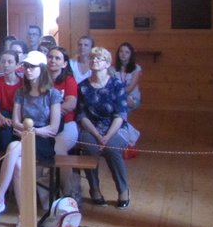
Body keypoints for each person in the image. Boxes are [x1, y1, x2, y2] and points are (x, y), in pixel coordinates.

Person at [0, 51, 62, 227]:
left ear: (41, 69)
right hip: (24, 137)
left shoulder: (53, 94)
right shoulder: (21, 92)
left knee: (13, 146)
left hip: (42, 141)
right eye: (26, 66)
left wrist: (33, 131)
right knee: (17, 164)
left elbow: (53, 128)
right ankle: (23, 216)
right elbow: (16, 121)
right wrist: (26, 130)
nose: (28, 70)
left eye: (32, 67)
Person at [77, 46, 131, 209]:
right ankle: (94, 189)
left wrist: (106, 137)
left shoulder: (116, 85)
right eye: (92, 58)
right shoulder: (83, 86)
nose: (95, 61)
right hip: (91, 127)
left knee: (112, 148)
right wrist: (97, 135)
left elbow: (120, 115)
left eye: (99, 59)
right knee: (90, 148)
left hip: (114, 127)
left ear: (107, 64)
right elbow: (82, 115)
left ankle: (123, 190)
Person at [47, 46, 80, 198]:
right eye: (50, 57)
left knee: (58, 150)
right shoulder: (40, 79)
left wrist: (49, 112)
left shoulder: (69, 80)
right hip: (44, 126)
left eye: (57, 58)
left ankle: (68, 193)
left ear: (64, 63)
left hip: (66, 125)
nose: (53, 60)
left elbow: (70, 104)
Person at [0, 50, 22, 153]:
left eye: (10, 62)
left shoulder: (23, 83)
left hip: (20, 115)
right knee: (4, 134)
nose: (6, 65)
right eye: (3, 62)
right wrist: (2, 118)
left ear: (17, 65)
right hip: (3, 114)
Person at [114, 42, 142, 113]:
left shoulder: (136, 68)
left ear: (131, 55)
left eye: (127, 52)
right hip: (117, 97)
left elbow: (130, 88)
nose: (123, 54)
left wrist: (123, 96)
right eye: (121, 51)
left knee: (123, 106)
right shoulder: (112, 69)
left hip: (132, 97)